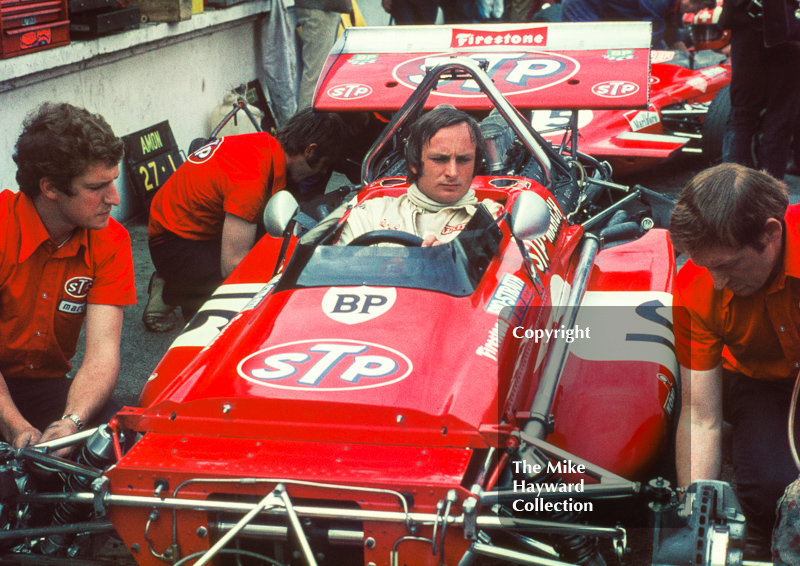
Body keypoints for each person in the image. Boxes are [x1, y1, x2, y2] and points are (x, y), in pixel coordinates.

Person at [671, 162, 797, 558]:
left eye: (726, 266)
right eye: (707, 266)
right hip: (757, 379)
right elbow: (699, 415)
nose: (717, 282)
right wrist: (694, 515)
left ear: (770, 233)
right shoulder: (695, 286)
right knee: (768, 491)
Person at [1, 102, 135, 452]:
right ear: (50, 188)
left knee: (122, 446)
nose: (114, 198)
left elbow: (102, 354)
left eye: (113, 181)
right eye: (97, 187)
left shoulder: (112, 239)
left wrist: (71, 422)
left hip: (43, 382)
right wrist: (15, 426)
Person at [145, 109, 347, 329]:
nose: (323, 172)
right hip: (172, 241)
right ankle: (171, 289)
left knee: (272, 242)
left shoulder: (267, 147)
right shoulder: (251, 176)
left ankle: (178, 284)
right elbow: (232, 265)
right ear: (310, 151)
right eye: (323, 164)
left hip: (196, 225)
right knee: (227, 311)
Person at [338, 105, 502, 246]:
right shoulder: (371, 213)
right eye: (439, 159)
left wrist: (459, 261)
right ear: (414, 164)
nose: (453, 172)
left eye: (463, 160)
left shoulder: (493, 217)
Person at [720, 0, 800, 180]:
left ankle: (732, 192)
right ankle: (767, 196)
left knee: (742, 113)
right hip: (788, 30)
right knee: (780, 117)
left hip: (748, 26)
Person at [560, 0, 711, 49]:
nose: (693, 12)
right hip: (581, 4)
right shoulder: (661, 1)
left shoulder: (672, 4)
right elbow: (649, 38)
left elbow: (671, 31)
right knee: (595, 51)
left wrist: (687, 58)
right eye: (696, 9)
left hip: (603, 9)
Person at [295, 0, 352, 111]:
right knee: (316, 75)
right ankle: (307, 125)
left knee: (320, 74)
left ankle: (311, 122)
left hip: (323, 8)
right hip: (320, 9)